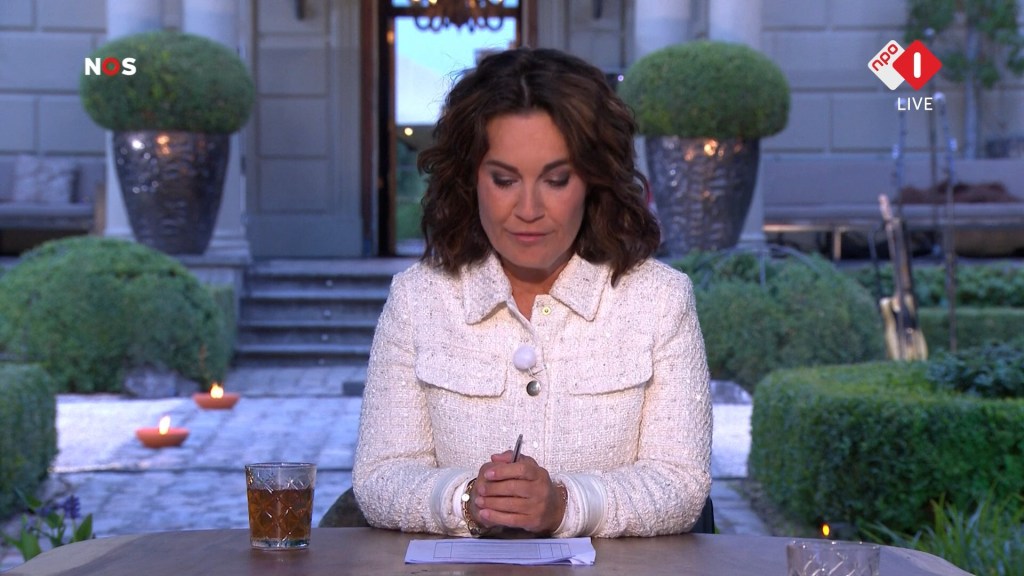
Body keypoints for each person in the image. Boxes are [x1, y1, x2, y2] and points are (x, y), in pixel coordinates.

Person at [352, 47, 711, 539]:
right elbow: (380, 477)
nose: (528, 209)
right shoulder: (419, 298)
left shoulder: (659, 299)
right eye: (504, 180)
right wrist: (467, 500)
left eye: (556, 180)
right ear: (470, 180)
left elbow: (681, 485)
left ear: (593, 181)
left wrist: (565, 505)